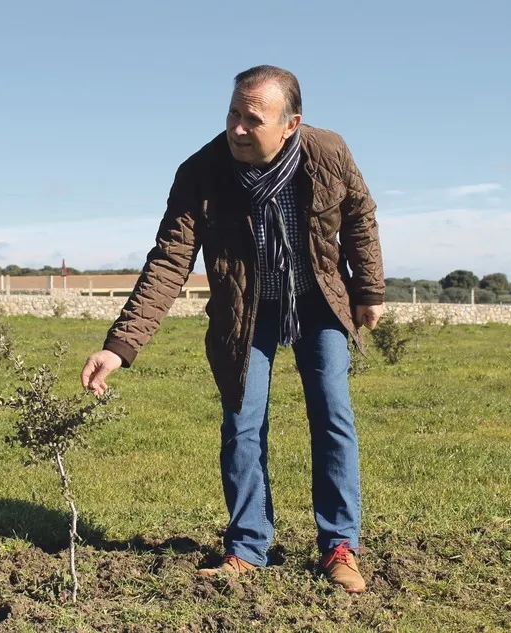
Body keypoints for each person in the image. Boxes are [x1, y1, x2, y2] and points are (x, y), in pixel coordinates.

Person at [80, 65, 385, 593]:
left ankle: (340, 546)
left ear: (290, 125)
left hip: (319, 302)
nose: (238, 129)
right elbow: (169, 261)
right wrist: (120, 346)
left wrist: (369, 290)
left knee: (332, 414)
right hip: (245, 312)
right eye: (233, 114)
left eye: (253, 119)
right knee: (242, 423)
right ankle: (247, 547)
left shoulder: (328, 152)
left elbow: (360, 216)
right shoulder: (201, 172)